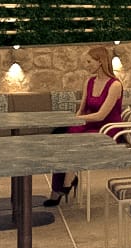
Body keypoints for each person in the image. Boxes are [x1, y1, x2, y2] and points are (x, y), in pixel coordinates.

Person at [45, 45, 124, 206]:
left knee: (73, 141)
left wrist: (77, 121)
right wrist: (72, 121)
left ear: (100, 62)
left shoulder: (115, 85)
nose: (86, 65)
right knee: (60, 138)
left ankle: (67, 181)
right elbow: (81, 109)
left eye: (89, 62)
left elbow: (101, 115)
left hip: (107, 128)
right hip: (89, 124)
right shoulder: (89, 81)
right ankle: (62, 184)